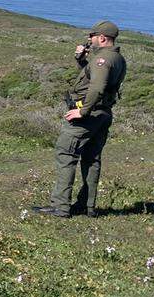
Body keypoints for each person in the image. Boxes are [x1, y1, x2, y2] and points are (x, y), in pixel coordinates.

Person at [35, 20, 127, 218]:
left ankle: (60, 206)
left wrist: (82, 111)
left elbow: (97, 87)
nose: (89, 39)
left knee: (66, 155)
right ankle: (87, 206)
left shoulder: (102, 60)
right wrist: (82, 62)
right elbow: (96, 81)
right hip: (103, 114)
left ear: (102, 38)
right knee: (91, 159)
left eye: (92, 36)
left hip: (88, 116)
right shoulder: (117, 59)